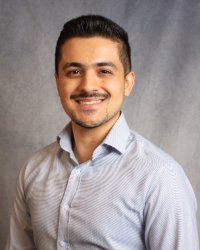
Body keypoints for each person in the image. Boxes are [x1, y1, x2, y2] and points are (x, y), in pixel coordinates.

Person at [6, 15, 199, 250]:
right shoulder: (33, 170)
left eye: (104, 71)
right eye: (74, 71)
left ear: (128, 83)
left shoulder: (160, 177)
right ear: (58, 82)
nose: (88, 86)